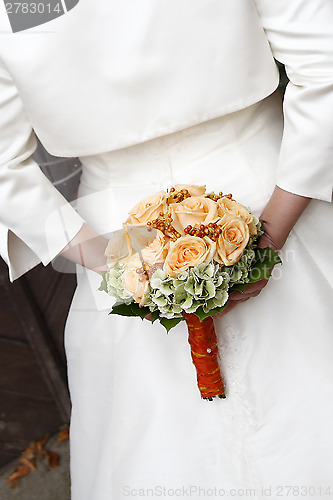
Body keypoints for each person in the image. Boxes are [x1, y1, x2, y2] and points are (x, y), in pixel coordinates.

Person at [1, 1, 333, 498]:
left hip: (125, 235)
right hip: (269, 189)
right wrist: (271, 232)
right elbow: (326, 63)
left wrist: (111, 260)